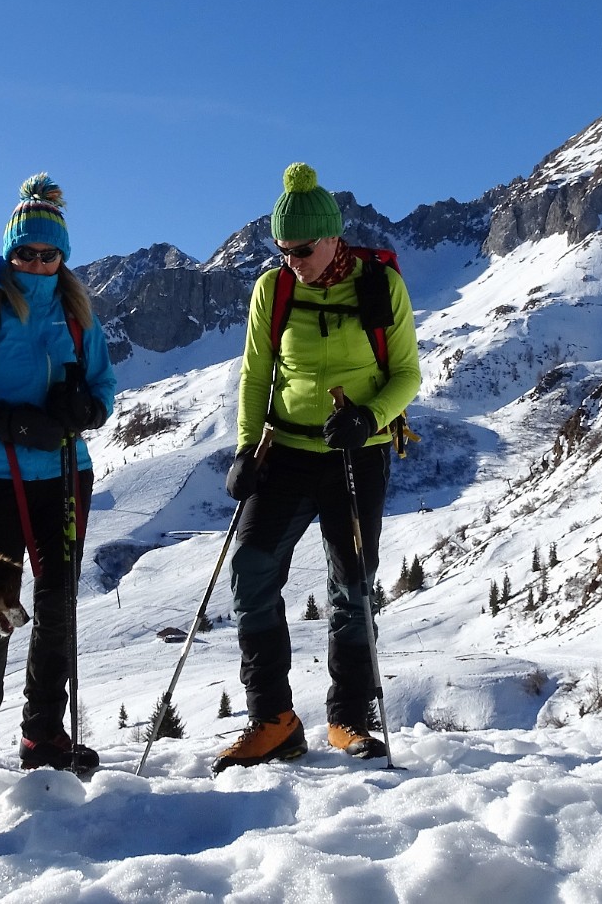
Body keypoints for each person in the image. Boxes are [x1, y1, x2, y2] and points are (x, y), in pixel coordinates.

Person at [214, 163, 421, 773]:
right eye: (283, 250)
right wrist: (247, 450)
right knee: (252, 568)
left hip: (358, 453)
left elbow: (407, 374)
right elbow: (254, 376)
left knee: (352, 583)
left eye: (303, 249)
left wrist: (368, 416)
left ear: (335, 238)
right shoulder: (273, 291)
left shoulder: (381, 286)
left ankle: (349, 716)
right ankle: (273, 720)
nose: (293, 260)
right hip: (286, 453)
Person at [0, 173, 116, 782]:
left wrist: (87, 410)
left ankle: (43, 736)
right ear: (10, 253)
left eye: (48, 253)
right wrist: (1, 419)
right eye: (25, 252)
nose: (36, 262)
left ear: (63, 257)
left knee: (58, 604)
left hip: (64, 471)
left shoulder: (79, 313)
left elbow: (105, 388)